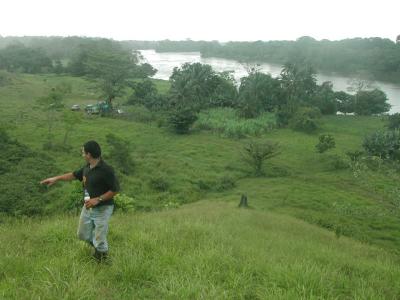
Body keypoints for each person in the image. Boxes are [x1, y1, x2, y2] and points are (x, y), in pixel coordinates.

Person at [40, 140, 119, 262]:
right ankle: (100, 249)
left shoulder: (106, 170)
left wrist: (98, 199)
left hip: (103, 208)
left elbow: (115, 190)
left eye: (83, 152)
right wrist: (56, 178)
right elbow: (73, 175)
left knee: (99, 238)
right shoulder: (87, 168)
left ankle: (103, 260)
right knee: (82, 235)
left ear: (89, 155)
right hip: (88, 207)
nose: (82, 155)